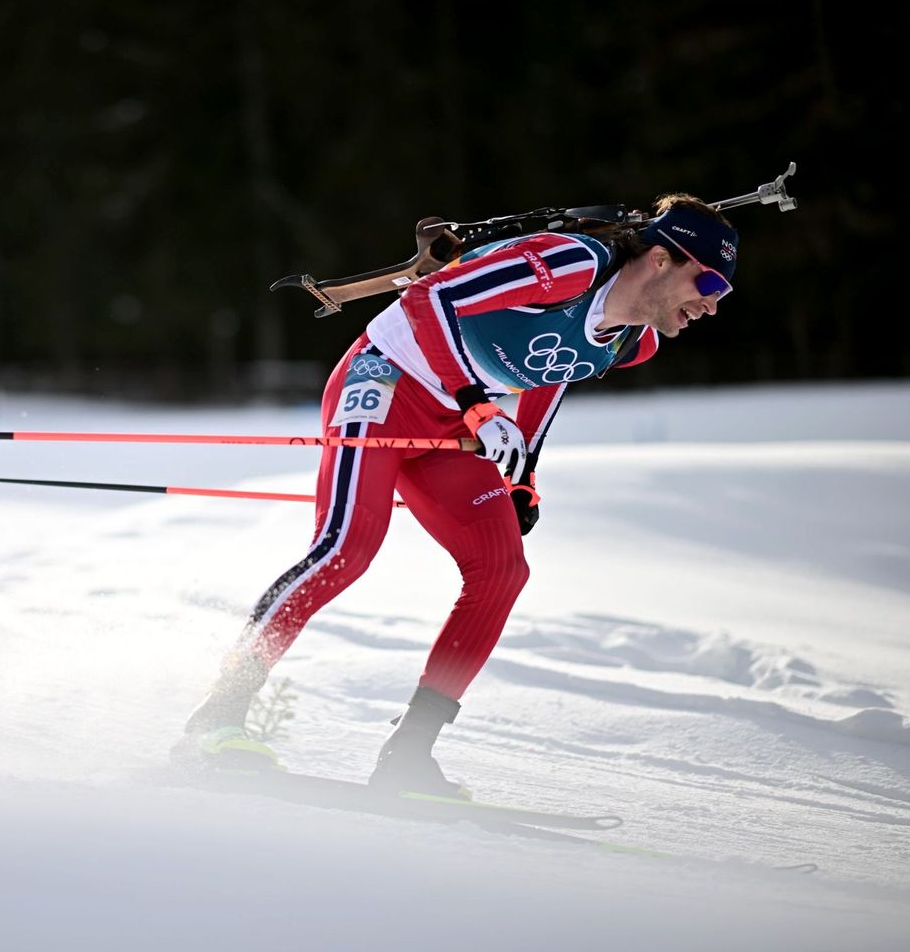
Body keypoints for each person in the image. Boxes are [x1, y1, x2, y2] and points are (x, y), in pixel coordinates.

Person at [175, 193, 739, 794]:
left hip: (453, 421)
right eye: (708, 282)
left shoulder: (633, 339)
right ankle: (217, 716)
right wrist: (476, 405)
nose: (710, 303)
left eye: (723, 294)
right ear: (660, 259)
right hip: (386, 380)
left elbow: (554, 371)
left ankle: (409, 753)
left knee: (502, 570)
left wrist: (522, 473)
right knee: (346, 549)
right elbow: (429, 297)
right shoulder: (570, 263)